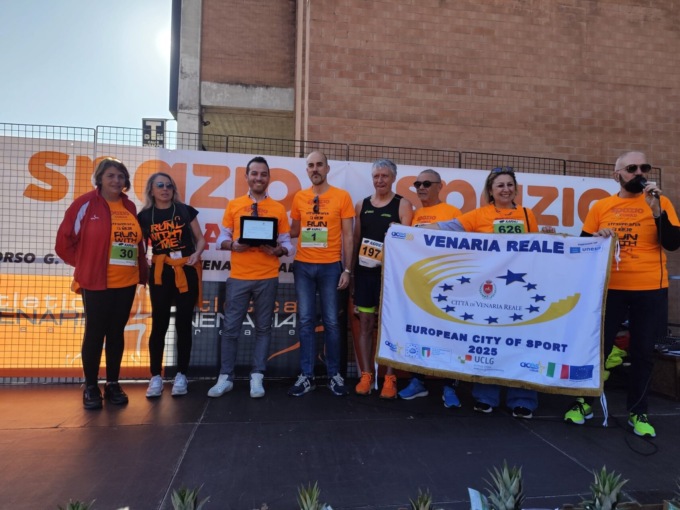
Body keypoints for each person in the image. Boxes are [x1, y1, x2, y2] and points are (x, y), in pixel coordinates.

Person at [563, 151, 680, 438]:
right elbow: (583, 247)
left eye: (644, 167)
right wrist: (597, 237)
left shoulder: (661, 202)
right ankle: (584, 403)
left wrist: (657, 211)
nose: (639, 172)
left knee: (642, 352)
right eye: (631, 168)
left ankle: (638, 411)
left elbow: (673, 243)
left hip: (650, 288)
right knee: (598, 348)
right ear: (616, 175)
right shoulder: (601, 206)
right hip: (609, 289)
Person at [433, 167, 546, 419]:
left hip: (518, 290)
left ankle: (523, 399)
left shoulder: (527, 214)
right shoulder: (479, 214)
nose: (506, 189)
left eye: (509, 185)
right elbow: (447, 228)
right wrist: (407, 231)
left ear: (515, 189)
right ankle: (485, 397)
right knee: (488, 343)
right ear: (491, 191)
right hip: (490, 292)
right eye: (500, 186)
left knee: (520, 343)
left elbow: (535, 249)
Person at [55, 158, 148, 410]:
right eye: (110, 176)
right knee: (95, 332)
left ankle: (113, 383)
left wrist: (142, 271)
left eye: (120, 176)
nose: (116, 180)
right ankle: (91, 386)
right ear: (100, 179)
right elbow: (64, 242)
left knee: (116, 332)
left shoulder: (129, 206)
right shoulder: (84, 204)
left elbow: (136, 242)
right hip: (96, 281)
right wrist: (86, 264)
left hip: (126, 281)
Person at [207, 156, 293, 399]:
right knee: (230, 329)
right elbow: (220, 239)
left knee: (263, 329)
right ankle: (225, 377)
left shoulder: (278, 209)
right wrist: (233, 245)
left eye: (263, 174)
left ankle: (257, 376)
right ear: (246, 177)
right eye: (254, 173)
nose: (258, 178)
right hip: (239, 277)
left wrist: (279, 250)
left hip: (268, 277)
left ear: (269, 178)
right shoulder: (234, 205)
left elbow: (288, 244)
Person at [288, 151, 355, 396]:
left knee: (332, 322)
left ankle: (334, 374)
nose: (315, 169)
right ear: (307, 170)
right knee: (306, 321)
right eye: (310, 165)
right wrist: (264, 232)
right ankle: (307, 376)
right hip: (303, 266)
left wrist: (347, 269)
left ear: (327, 168)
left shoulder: (342, 196)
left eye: (319, 165)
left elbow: (348, 236)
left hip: (330, 267)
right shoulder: (300, 197)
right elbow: (294, 230)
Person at [397, 169, 463, 407]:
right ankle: (418, 381)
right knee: (419, 333)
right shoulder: (414, 214)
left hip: (446, 286)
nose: (421, 188)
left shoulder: (453, 212)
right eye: (417, 184)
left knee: (448, 335)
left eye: (426, 183)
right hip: (420, 285)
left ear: (440, 186)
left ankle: (449, 386)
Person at [137, 173, 205, 398]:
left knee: (184, 324)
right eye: (160, 185)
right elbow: (139, 247)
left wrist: (197, 253)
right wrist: (144, 265)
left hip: (186, 269)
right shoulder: (145, 216)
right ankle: (155, 376)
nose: (165, 189)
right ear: (152, 190)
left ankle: (181, 375)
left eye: (169, 185)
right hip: (160, 274)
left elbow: (200, 238)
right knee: (160, 324)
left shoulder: (185, 210)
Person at [353, 159, 413, 399]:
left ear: (393, 178)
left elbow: (408, 244)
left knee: (389, 326)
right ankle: (366, 374)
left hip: (390, 277)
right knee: (366, 324)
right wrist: (351, 272)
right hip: (365, 274)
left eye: (385, 176)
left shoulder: (403, 205)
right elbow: (356, 239)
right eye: (376, 176)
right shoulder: (362, 204)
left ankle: (389, 377)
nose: (380, 180)